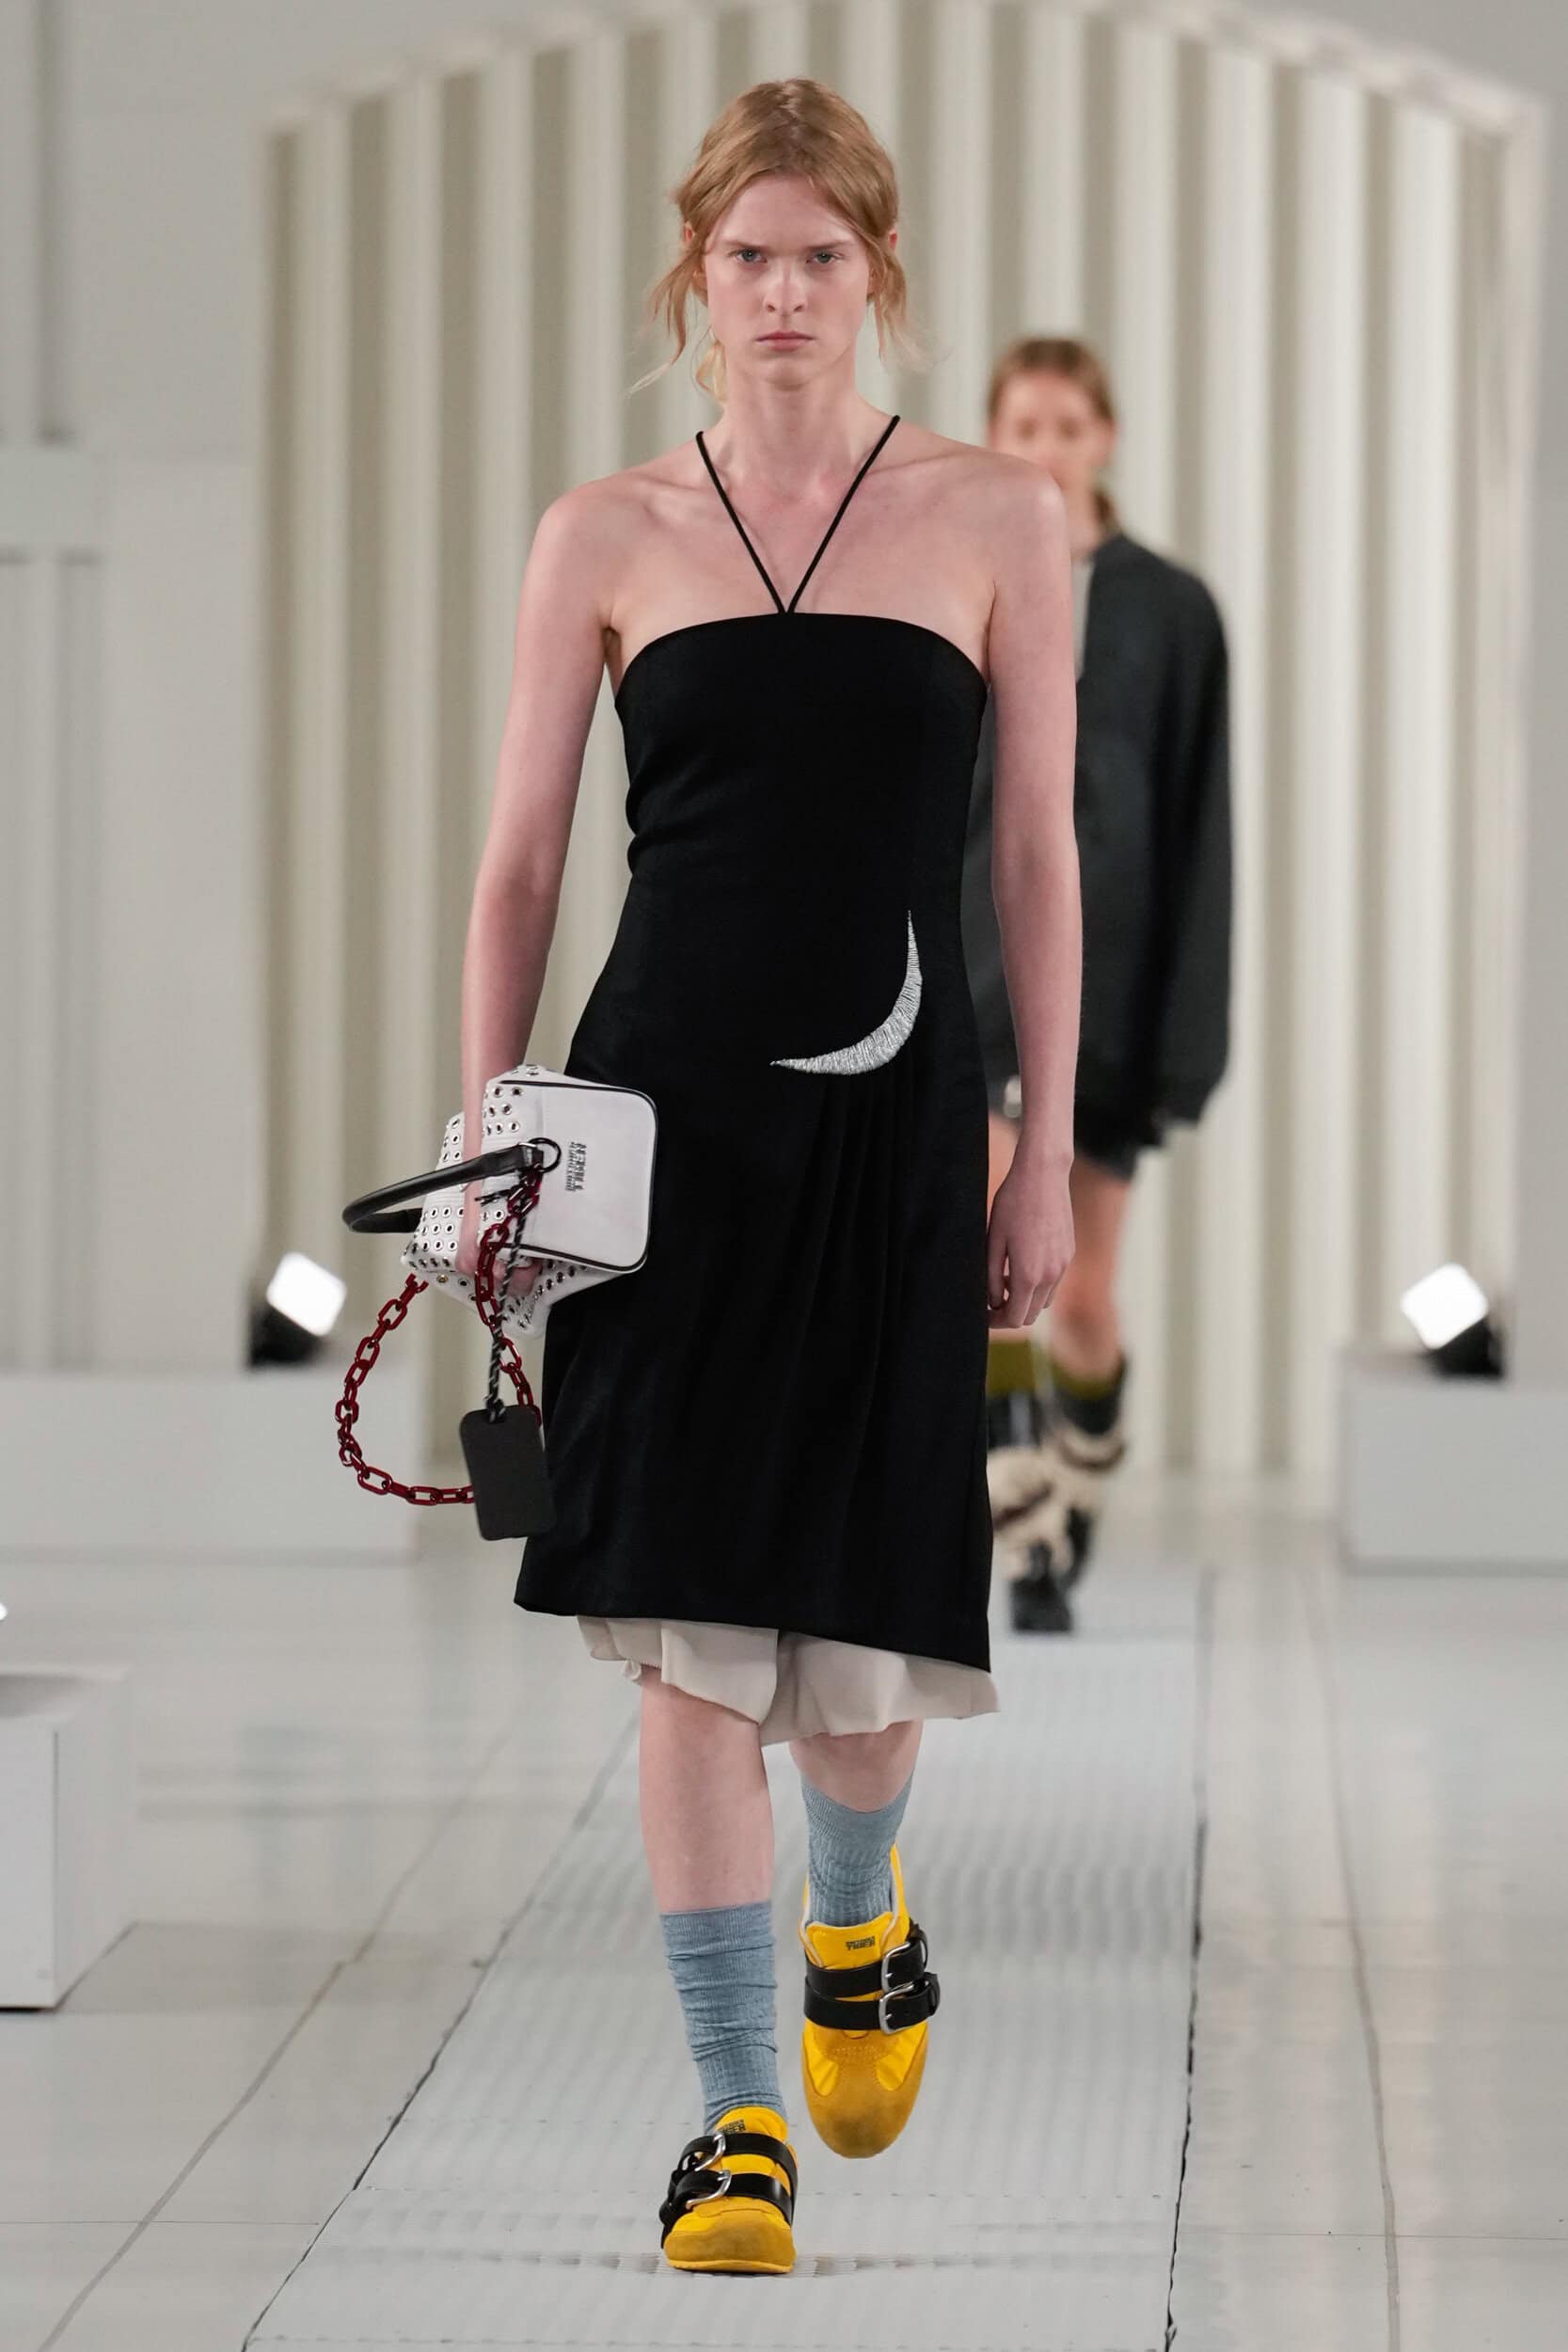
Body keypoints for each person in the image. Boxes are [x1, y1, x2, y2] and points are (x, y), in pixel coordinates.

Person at [453, 81, 1079, 2274]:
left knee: (866, 1649)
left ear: (875, 272)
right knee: (690, 1634)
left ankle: (860, 1904)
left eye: (824, 257)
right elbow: (521, 860)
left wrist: (1044, 1147)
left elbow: (1035, 855)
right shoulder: (604, 532)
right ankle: (736, 2122)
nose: (788, 294)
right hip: (660, 1136)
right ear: (695, 275)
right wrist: (494, 1134)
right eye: (751, 258)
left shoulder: (995, 515)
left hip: (899, 1131)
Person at [960, 337, 1233, 1636]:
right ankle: (1021, 1533)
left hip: (1115, 1001)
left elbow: (1200, 825)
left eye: (1069, 425)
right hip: (978, 980)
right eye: (1025, 425)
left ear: (1105, 438)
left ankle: (1077, 1482)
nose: (1048, 449)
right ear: (995, 436)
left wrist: (1189, 1032)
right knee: (991, 1269)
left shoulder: (1172, 612)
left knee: (1083, 1296)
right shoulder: (962, 587)